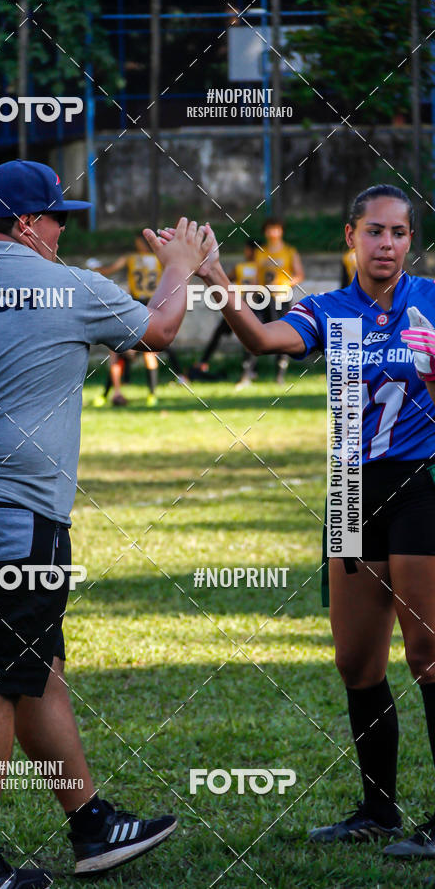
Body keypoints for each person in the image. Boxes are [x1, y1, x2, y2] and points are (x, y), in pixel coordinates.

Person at [0, 159, 212, 888]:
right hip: (18, 510)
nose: (60, 229)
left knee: (36, 665)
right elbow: (163, 329)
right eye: (55, 217)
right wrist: (176, 265)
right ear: (26, 224)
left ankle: (91, 824)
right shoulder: (66, 285)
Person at [166, 184, 435, 855]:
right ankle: (378, 811)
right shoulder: (328, 309)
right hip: (349, 491)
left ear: (411, 241)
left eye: (399, 233)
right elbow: (261, 341)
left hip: (422, 486)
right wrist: (217, 278)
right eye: (374, 231)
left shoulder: (431, 302)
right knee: (357, 664)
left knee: (429, 657)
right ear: (351, 237)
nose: (386, 245)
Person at [93, 235, 186, 406]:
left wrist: (94, 269)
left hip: (138, 306)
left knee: (121, 351)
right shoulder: (159, 259)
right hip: (152, 305)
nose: (137, 246)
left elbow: (110, 269)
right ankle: (151, 393)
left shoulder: (131, 258)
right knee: (147, 349)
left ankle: (112, 393)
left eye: (138, 243)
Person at [190, 237, 259, 381]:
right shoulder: (263, 268)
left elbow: (225, 280)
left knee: (220, 333)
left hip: (239, 307)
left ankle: (204, 361)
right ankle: (250, 371)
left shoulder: (242, 267)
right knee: (251, 338)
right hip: (254, 306)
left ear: (250, 250)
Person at [252, 217, 304, 384]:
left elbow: (299, 275)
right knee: (254, 329)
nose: (272, 232)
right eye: (269, 229)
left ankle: (280, 374)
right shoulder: (260, 251)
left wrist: (285, 284)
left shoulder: (289, 251)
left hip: (281, 297)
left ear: (281, 231)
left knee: (282, 333)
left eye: (276, 228)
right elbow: (255, 275)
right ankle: (249, 372)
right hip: (262, 297)